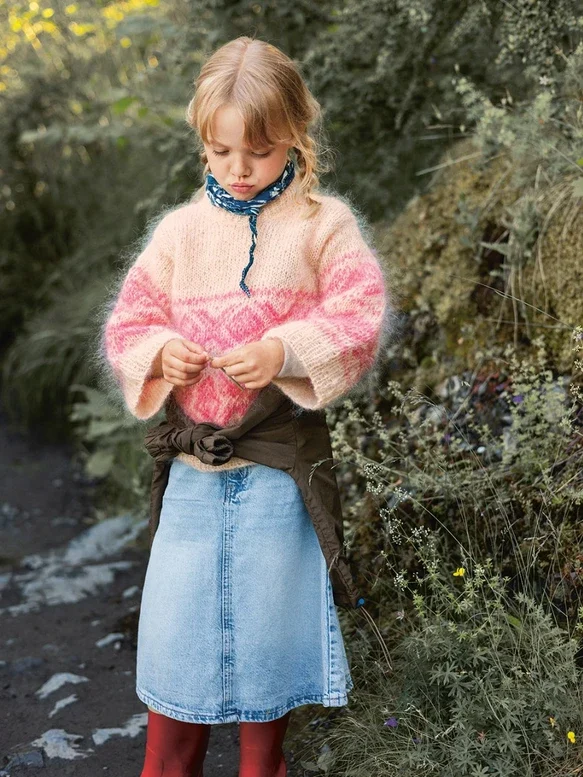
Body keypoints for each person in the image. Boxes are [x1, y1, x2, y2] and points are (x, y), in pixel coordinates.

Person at [101, 35, 390, 777]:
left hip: (275, 479)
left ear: (294, 136)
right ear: (202, 142)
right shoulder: (178, 234)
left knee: (266, 649)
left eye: (258, 152)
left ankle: (265, 765)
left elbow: (360, 317)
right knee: (176, 646)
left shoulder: (323, 225)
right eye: (220, 150)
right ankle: (169, 765)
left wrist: (285, 350)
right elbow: (128, 325)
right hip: (194, 479)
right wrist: (159, 352)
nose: (238, 167)